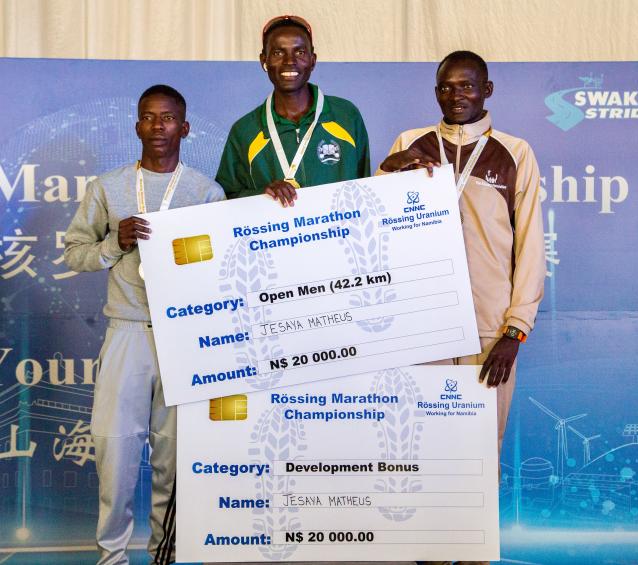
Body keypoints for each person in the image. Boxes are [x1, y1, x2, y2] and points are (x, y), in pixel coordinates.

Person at [379, 51, 545, 565]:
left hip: (488, 333)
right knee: (423, 447)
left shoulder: (514, 152)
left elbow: (530, 249)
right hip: (421, 329)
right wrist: (388, 172)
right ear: (435, 92)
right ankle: (428, 553)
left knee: (477, 452)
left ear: (488, 90)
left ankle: (472, 554)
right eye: (447, 87)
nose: (457, 96)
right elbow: (373, 221)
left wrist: (515, 332)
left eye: (467, 87)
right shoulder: (409, 144)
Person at [64, 84, 225, 565]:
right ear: (137, 126)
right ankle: (111, 557)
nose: (159, 126)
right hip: (127, 332)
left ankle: (165, 555)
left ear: (185, 127)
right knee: (113, 453)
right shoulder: (107, 187)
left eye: (169, 118)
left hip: (186, 338)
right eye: (149, 118)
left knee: (171, 461)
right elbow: (75, 254)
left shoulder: (205, 192)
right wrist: (115, 243)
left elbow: (223, 268)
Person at [215, 14, 370, 205]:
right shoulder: (245, 130)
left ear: (313, 60)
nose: (290, 61)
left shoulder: (346, 115)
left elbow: (367, 187)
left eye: (300, 53)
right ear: (264, 60)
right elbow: (226, 200)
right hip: (278, 234)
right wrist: (261, 194)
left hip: (340, 233)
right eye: (278, 53)